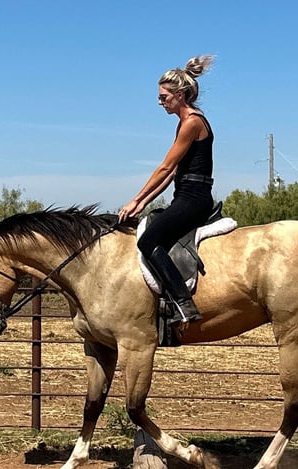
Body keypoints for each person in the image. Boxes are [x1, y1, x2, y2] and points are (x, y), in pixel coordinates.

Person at [117, 55, 216, 324]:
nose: (160, 103)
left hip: (194, 199)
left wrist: (135, 199)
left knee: (148, 241)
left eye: (164, 97)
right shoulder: (184, 122)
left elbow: (164, 167)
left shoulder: (192, 122)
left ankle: (184, 303)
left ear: (180, 95)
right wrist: (140, 203)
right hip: (185, 195)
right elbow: (171, 173)